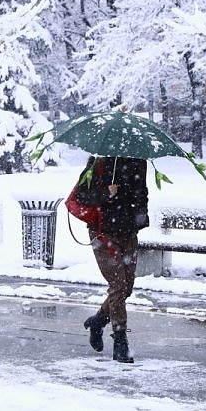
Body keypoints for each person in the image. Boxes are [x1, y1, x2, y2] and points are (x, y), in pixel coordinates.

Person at [76, 155, 149, 364]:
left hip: (128, 232)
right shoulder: (98, 162)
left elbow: (142, 193)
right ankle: (120, 339)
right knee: (117, 285)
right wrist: (105, 194)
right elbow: (82, 195)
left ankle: (98, 321)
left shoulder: (139, 161)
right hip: (103, 232)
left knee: (126, 288)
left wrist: (140, 216)